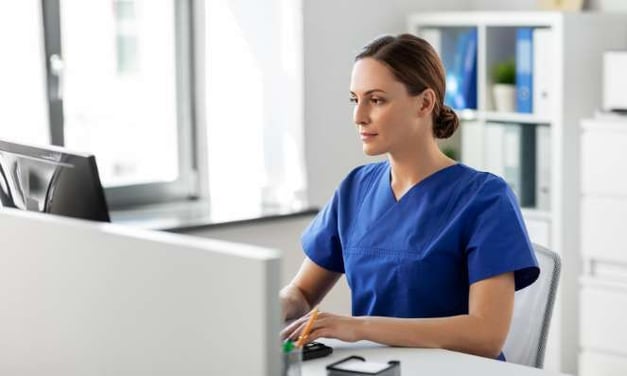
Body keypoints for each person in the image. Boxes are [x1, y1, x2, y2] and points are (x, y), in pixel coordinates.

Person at [280, 34, 539, 360]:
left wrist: (360, 327)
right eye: (354, 99)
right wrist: (274, 306)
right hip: (375, 367)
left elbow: (486, 335)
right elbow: (303, 292)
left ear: (425, 103)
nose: (358, 116)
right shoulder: (355, 189)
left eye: (376, 100)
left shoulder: (485, 198)